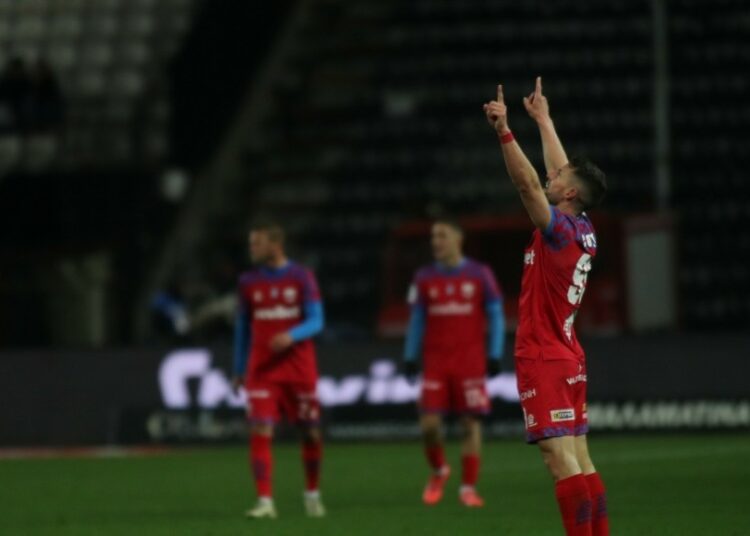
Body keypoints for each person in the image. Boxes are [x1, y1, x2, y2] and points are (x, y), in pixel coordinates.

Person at [483, 77, 609, 536]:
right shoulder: (584, 228)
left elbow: (528, 186)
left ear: (570, 195)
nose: (552, 175)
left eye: (560, 179)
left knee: (561, 464)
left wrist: (505, 132)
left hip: (544, 355)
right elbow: (559, 172)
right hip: (569, 354)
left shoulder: (557, 230)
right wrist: (544, 120)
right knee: (581, 459)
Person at [403, 218, 505, 508]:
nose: (436, 241)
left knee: (470, 425)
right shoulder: (424, 277)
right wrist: (410, 356)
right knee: (429, 426)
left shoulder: (480, 274)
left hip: (469, 362)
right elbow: (417, 320)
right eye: (433, 236)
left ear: (458, 240)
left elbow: (496, 315)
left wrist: (495, 353)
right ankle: (439, 471)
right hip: (435, 362)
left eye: (442, 235)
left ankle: (468, 488)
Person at [232, 222, 326, 519]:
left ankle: (312, 494)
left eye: (257, 243)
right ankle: (265, 501)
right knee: (260, 429)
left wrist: (291, 336)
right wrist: (238, 368)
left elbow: (317, 320)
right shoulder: (247, 282)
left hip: (299, 369)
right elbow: (242, 328)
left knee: (310, 434)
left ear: (275, 245)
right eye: (251, 243)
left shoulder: (301, 276)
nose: (252, 249)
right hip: (261, 370)